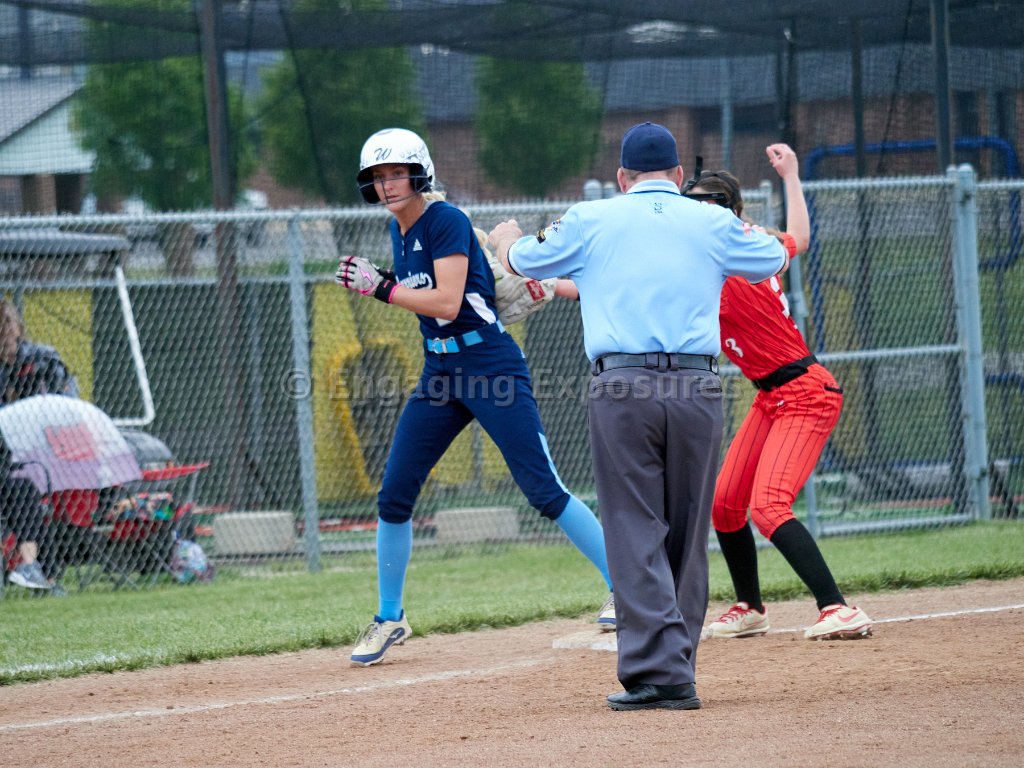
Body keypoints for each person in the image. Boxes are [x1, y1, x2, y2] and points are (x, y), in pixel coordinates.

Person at [488, 122, 793, 711]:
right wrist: (730, 228)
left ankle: (661, 675)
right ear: (678, 176)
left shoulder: (592, 218)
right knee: (686, 531)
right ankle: (677, 669)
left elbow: (523, 262)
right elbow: (774, 257)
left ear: (622, 178)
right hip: (698, 384)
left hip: (623, 385)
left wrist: (507, 237)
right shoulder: (709, 220)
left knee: (634, 527)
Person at [335, 127, 614, 667]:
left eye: (397, 173)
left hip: (489, 365)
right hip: (440, 372)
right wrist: (385, 278)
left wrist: (380, 287)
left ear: (419, 174)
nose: (387, 184)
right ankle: (390, 616)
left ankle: (625, 587)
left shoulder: (445, 220)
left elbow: (445, 303)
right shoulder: (400, 226)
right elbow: (427, 293)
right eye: (378, 176)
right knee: (394, 495)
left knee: (543, 489)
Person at [684, 145, 873, 641]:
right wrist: (790, 174)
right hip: (771, 396)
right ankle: (750, 607)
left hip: (806, 393)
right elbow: (800, 239)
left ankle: (838, 608)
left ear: (725, 213)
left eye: (701, 205)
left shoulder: (724, 266)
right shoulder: (750, 245)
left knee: (768, 507)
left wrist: (556, 281)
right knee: (725, 502)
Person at [0, 298, 75, 592]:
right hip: (7, 460)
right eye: (1, 325)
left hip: (26, 458)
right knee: (22, 489)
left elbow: (61, 400)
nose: (6, 331)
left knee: (25, 489)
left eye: (9, 323)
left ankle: (37, 571)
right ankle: (39, 572)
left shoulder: (40, 360)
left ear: (19, 327)